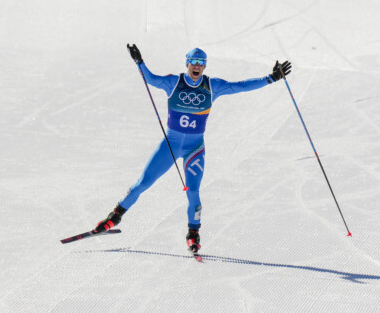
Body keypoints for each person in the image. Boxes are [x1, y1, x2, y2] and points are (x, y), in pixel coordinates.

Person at [93, 45, 292, 255]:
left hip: (195, 148)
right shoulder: (174, 82)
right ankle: (114, 217)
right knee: (143, 183)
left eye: (201, 63)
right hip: (170, 145)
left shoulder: (211, 86)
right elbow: (151, 79)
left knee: (194, 191)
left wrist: (271, 78)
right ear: (187, 63)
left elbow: (240, 86)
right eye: (193, 62)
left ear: (204, 66)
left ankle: (193, 235)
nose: (197, 67)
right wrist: (139, 61)